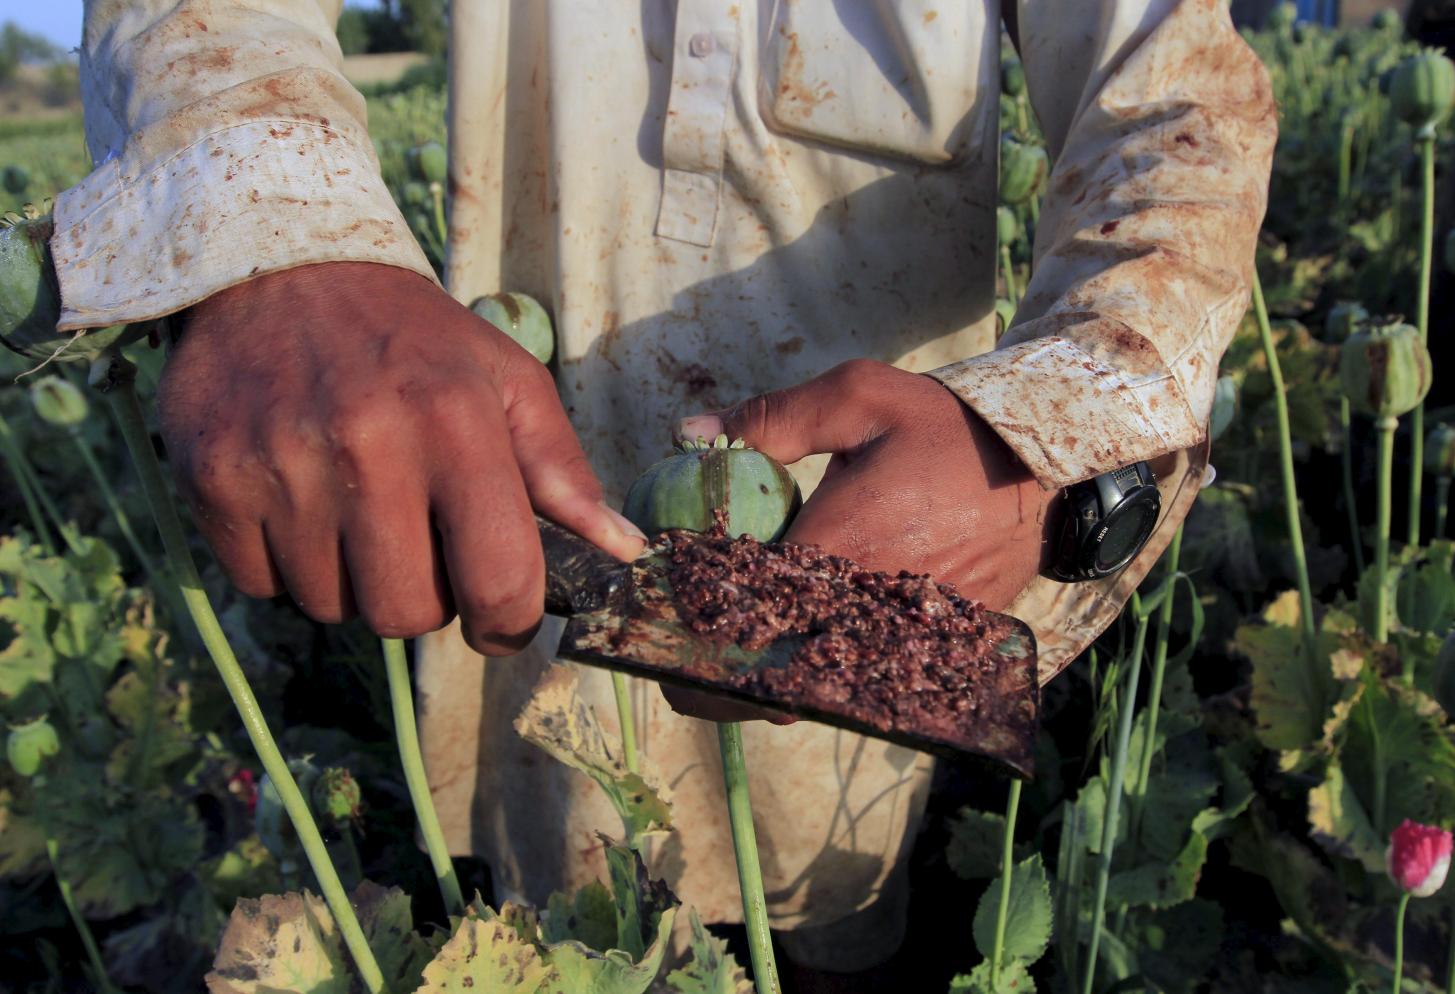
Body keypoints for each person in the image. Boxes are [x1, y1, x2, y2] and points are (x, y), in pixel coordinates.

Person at [54, 0, 1275, 985]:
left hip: (881, 562)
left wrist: (1043, 431)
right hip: (528, 562)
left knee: (831, 905)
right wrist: (280, 232)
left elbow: (1174, 99)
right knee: (574, 902)